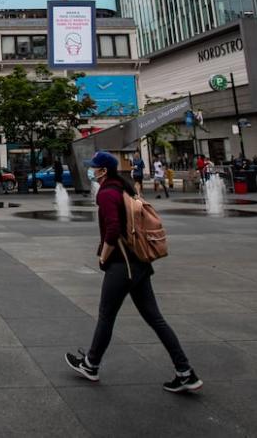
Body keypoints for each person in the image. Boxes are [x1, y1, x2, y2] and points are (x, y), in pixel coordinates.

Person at [65, 151, 201, 393]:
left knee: (107, 315)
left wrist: (103, 256)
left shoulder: (107, 193)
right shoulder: (124, 188)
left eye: (94, 167)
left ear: (103, 171)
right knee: (155, 319)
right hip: (139, 263)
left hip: (122, 264)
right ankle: (185, 371)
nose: (92, 171)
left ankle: (91, 364)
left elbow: (114, 229)